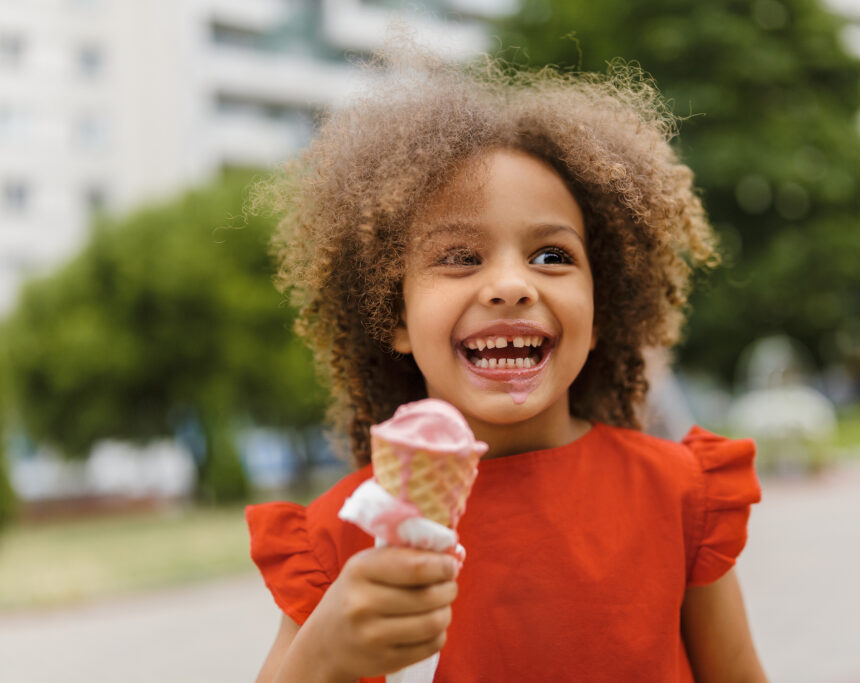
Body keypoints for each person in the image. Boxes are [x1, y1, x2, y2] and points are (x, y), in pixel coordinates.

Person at [247, 45, 766, 682]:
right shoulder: (344, 534)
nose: (511, 285)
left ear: (603, 309)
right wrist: (321, 658)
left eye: (552, 256)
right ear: (396, 318)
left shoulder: (680, 495)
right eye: (460, 256)